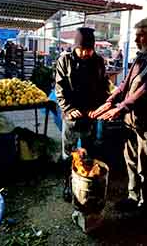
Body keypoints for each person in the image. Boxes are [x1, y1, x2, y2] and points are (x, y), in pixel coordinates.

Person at [91, 17, 147, 218]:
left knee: (146, 164)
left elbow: (146, 90)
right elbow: (126, 85)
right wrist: (110, 101)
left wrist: (120, 108)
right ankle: (133, 197)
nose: (136, 40)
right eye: (136, 36)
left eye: (140, 35)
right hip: (132, 120)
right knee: (130, 160)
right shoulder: (141, 57)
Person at [55, 27, 110, 202]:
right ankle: (67, 184)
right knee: (69, 152)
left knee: (89, 151)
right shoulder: (65, 60)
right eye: (81, 49)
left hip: (91, 115)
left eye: (89, 49)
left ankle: (86, 182)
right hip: (71, 116)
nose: (85, 53)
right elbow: (59, 89)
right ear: (75, 47)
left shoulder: (99, 61)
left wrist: (100, 107)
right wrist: (68, 109)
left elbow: (103, 87)